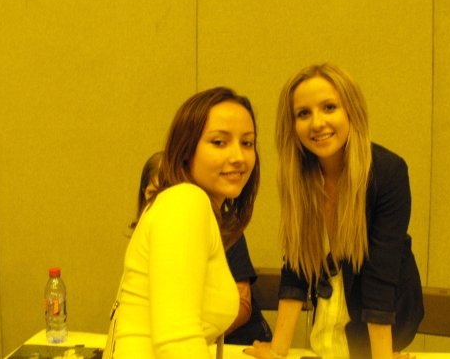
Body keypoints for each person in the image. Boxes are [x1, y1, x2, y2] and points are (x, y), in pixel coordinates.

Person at [244, 63, 424, 359]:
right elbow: (296, 267)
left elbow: (381, 274)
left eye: (329, 107)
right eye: (304, 113)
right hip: (326, 335)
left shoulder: (387, 172)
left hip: (380, 334)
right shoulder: (298, 176)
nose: (317, 123)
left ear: (351, 109)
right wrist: (277, 350)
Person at [109, 87, 260, 359]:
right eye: (219, 142)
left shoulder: (184, 203)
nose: (238, 157)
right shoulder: (186, 201)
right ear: (186, 149)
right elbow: (177, 343)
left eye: (247, 143)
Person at [133, 150, 272, 345]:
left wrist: (197, 337)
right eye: (151, 195)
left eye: (168, 194)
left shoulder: (224, 229)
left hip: (238, 343)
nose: (161, 204)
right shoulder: (145, 236)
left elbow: (243, 305)